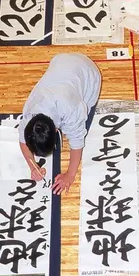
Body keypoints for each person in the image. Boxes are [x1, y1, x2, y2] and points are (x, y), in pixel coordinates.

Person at [18, 53, 101, 195]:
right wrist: (32, 166)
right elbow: (23, 141)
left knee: (83, 127)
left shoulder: (71, 109)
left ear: (56, 129)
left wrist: (70, 175)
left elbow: (77, 142)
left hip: (88, 72)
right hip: (62, 62)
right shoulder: (30, 112)